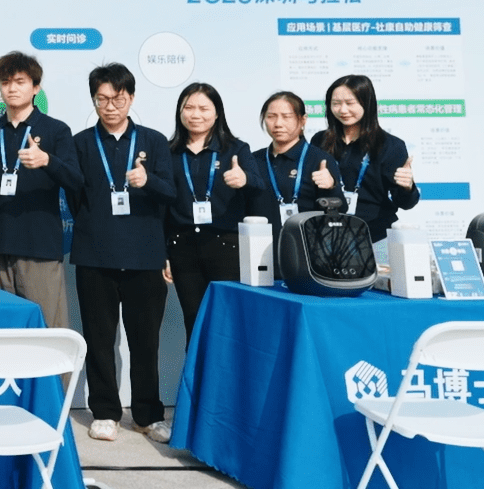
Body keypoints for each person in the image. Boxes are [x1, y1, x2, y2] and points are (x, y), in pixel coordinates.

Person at [70, 63, 175, 443]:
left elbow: (171, 193)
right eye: (102, 99)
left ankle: (147, 415)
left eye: (118, 98)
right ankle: (105, 412)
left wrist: (149, 181)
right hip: (95, 255)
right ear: (93, 100)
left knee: (145, 341)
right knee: (99, 339)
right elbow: (75, 197)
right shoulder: (81, 143)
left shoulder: (154, 141)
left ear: (131, 98)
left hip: (145, 255)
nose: (110, 106)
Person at [0, 51, 81, 329]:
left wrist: (48, 161)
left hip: (39, 249)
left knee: (47, 331)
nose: (12, 88)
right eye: (5, 82)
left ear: (36, 88)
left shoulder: (56, 130)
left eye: (20, 81)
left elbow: (76, 181)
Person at [162, 83, 251, 342]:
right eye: (188, 108)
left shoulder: (236, 149)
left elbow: (259, 188)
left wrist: (244, 179)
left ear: (217, 112)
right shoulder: (169, 152)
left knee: (228, 321)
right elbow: (161, 207)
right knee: (194, 321)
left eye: (203, 108)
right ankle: (197, 370)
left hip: (225, 247)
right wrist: (163, 253)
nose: (195, 115)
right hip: (182, 248)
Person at [316, 74, 420, 242]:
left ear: (367, 103)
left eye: (350, 103)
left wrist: (407, 187)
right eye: (336, 103)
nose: (343, 110)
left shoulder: (391, 145)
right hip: (328, 235)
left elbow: (406, 203)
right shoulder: (320, 141)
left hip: (376, 236)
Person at [248, 91, 343, 236]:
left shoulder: (319, 159)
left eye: (286, 117)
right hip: (259, 243)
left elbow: (341, 211)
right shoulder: (254, 159)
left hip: (307, 243)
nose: (278, 124)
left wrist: (331, 187)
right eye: (271, 117)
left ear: (303, 120)